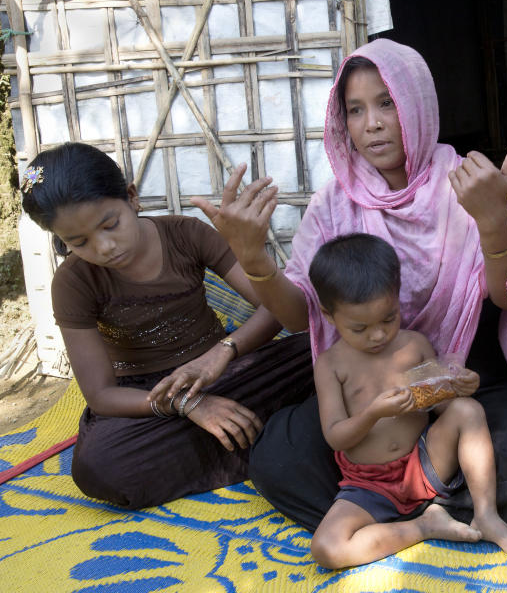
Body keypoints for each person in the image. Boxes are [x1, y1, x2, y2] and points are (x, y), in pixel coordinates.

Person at [191, 39, 507, 532]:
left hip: (466, 375)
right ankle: (435, 505)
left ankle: (390, 506)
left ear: (417, 105)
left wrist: (491, 224)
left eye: (386, 103)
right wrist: (253, 259)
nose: (370, 123)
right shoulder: (334, 205)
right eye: (355, 110)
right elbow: (298, 316)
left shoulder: (467, 183)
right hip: (367, 396)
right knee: (277, 460)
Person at [18, 142, 314, 508]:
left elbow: (278, 309)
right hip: (153, 399)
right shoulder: (74, 283)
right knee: (100, 466)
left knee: (326, 350)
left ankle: (261, 435)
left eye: (110, 224)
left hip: (230, 372)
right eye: (78, 242)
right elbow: (101, 394)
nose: (105, 246)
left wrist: (224, 351)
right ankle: (279, 436)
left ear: (131, 198)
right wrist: (190, 405)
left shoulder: (185, 235)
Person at [305, 233, 507, 568]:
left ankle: (487, 515)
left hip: (424, 465)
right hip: (367, 484)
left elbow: (441, 405)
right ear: (329, 315)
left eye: (389, 318)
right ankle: (424, 526)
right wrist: (372, 414)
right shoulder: (330, 365)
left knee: (467, 409)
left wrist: (459, 385)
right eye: (360, 327)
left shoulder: (414, 345)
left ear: (398, 299)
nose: (379, 335)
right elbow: (336, 436)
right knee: (326, 549)